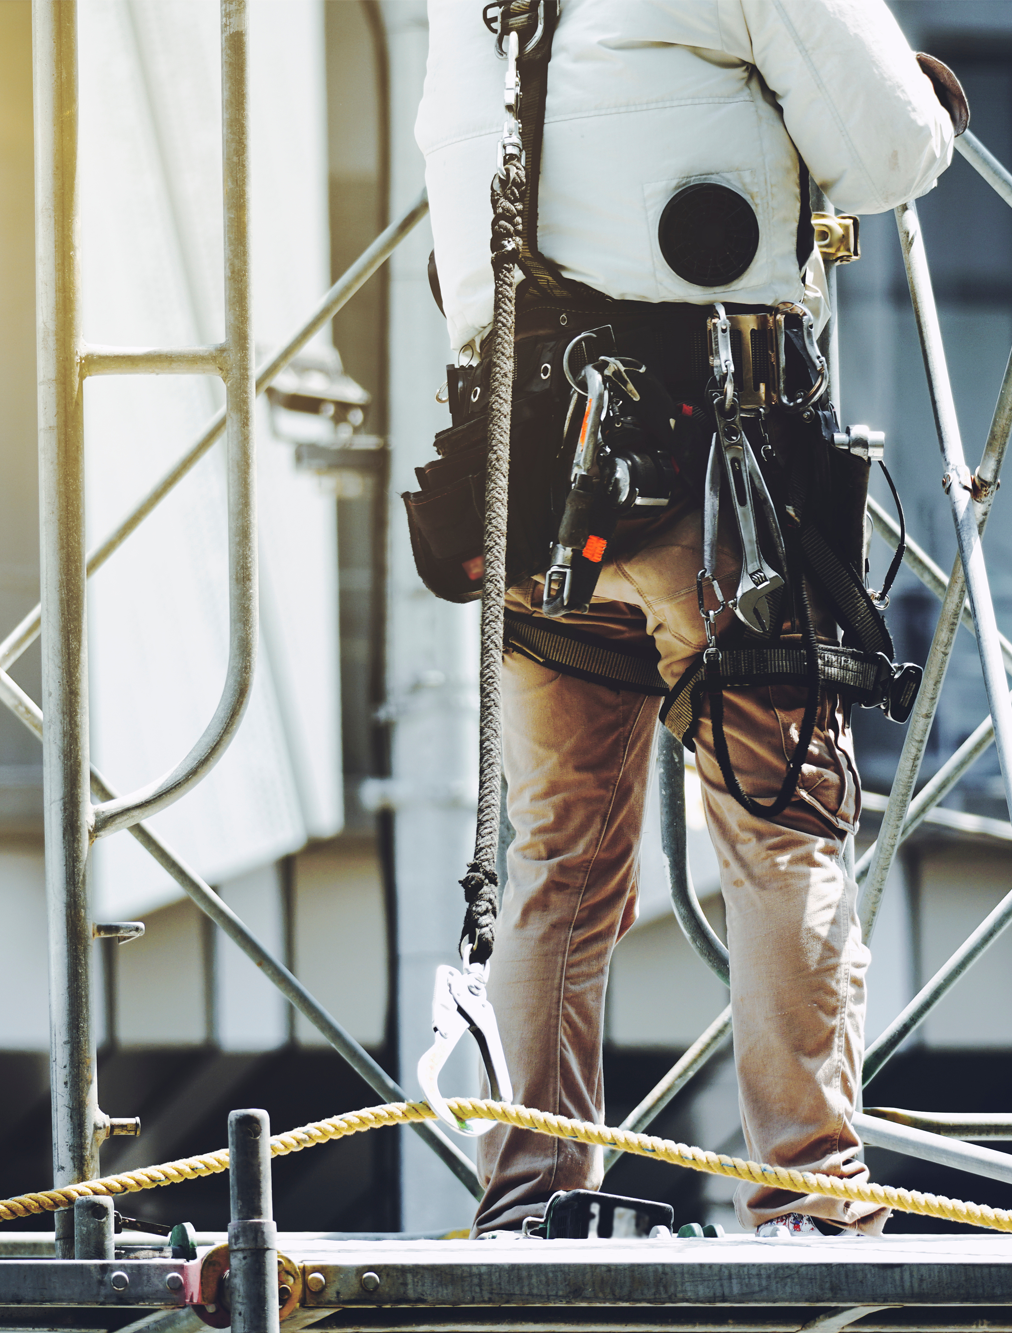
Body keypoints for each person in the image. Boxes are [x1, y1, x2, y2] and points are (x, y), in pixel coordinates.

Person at [414, 0, 965, 1238]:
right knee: (781, 824)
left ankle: (530, 1200)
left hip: (528, 479)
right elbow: (892, 151)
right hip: (707, 469)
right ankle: (807, 1199)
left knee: (558, 857)